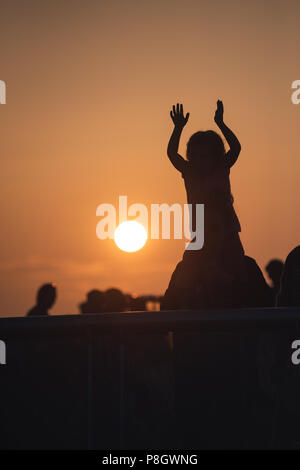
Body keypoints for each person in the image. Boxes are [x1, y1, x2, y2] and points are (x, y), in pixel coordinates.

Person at [163, 101, 245, 308]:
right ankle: (171, 314)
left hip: (228, 235)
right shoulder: (189, 173)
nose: (201, 160)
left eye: (206, 155)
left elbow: (236, 148)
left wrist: (221, 123)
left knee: (242, 273)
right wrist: (178, 128)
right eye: (196, 155)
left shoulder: (222, 167)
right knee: (184, 277)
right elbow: (172, 154)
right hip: (201, 237)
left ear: (216, 155)